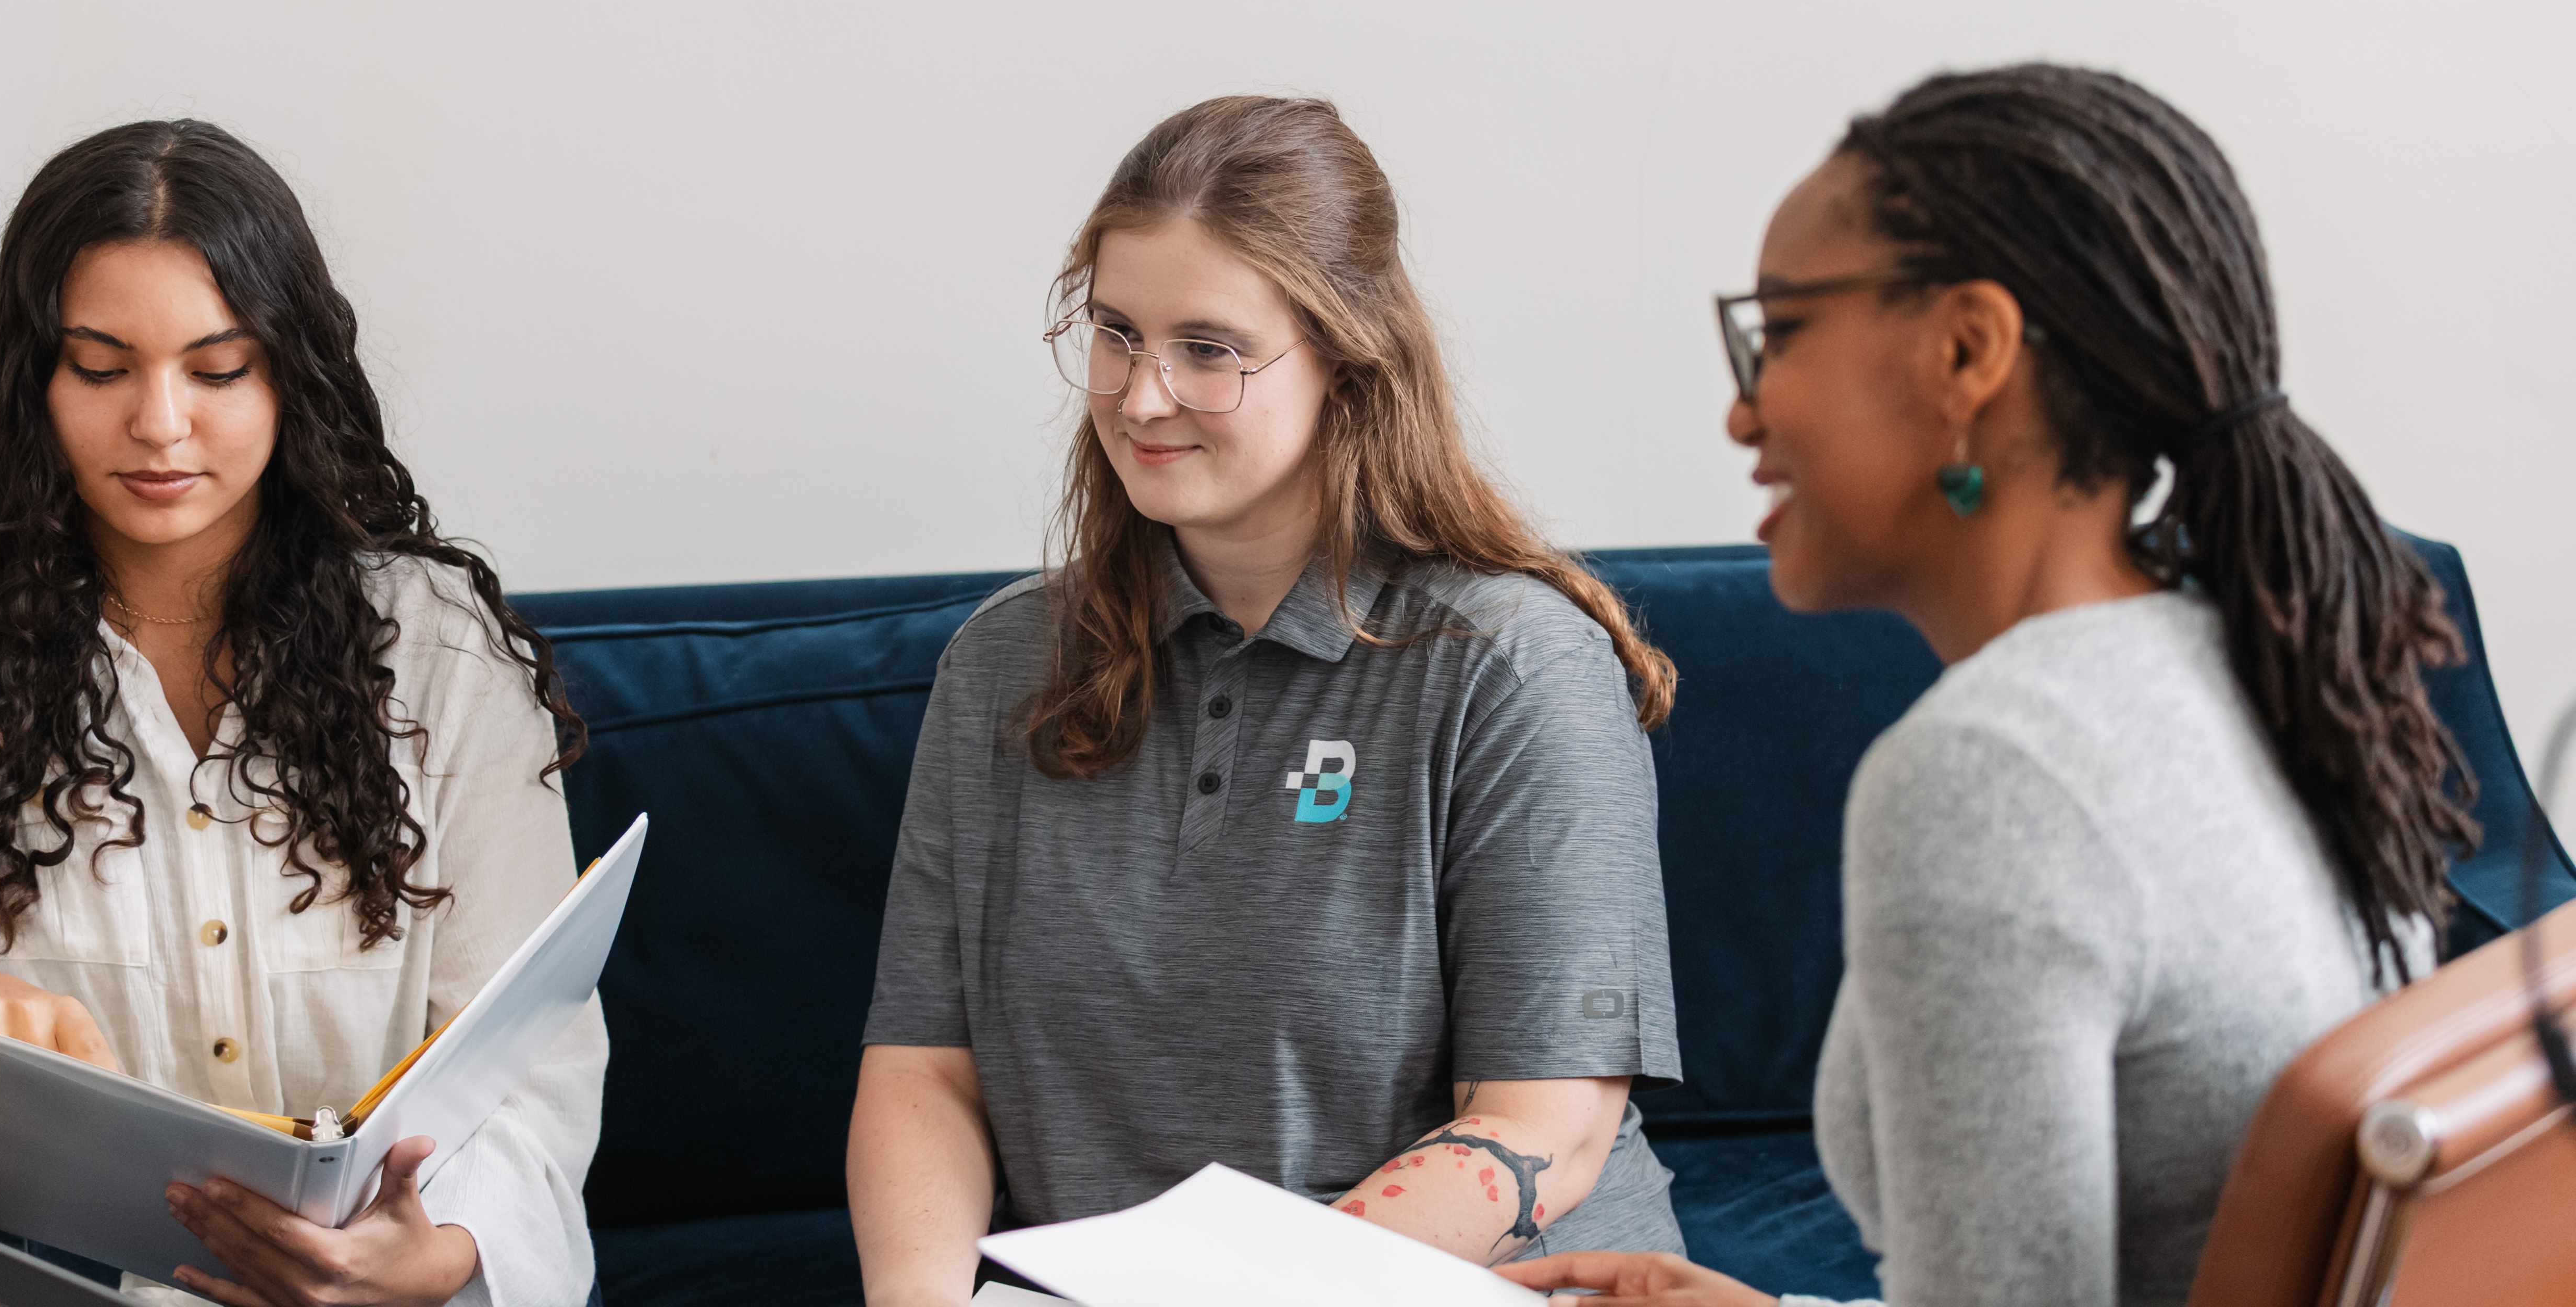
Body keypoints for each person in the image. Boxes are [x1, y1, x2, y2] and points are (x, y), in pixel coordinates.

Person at [1506, 65, 2477, 1307]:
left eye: (1783, 330)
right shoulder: (2245, 663)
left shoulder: (1993, 769)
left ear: (1968, 348)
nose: (1745, 411)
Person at [0, 121, 603, 1307]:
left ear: (290, 375)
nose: (160, 422)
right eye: (102, 367)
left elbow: (537, 1058)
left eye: (218, 368)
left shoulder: (440, 646)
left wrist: (441, 1250)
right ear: (34, 379)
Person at [848, 94, 1689, 1304]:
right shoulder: (1000, 664)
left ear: (1348, 361)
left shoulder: (1512, 666)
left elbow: (1542, 1127)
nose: (1141, 398)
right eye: (1117, 333)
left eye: (1209, 349)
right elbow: (926, 1070)